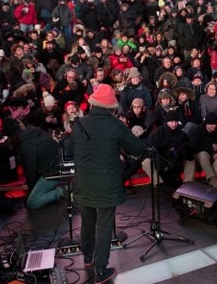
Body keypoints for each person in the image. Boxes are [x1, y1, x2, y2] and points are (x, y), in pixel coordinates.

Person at [66, 84, 144, 283]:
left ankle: (88, 257)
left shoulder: (79, 124)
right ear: (112, 107)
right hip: (106, 182)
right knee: (104, 225)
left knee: (87, 220)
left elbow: (69, 149)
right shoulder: (115, 125)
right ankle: (101, 270)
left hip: (83, 181)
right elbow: (136, 148)